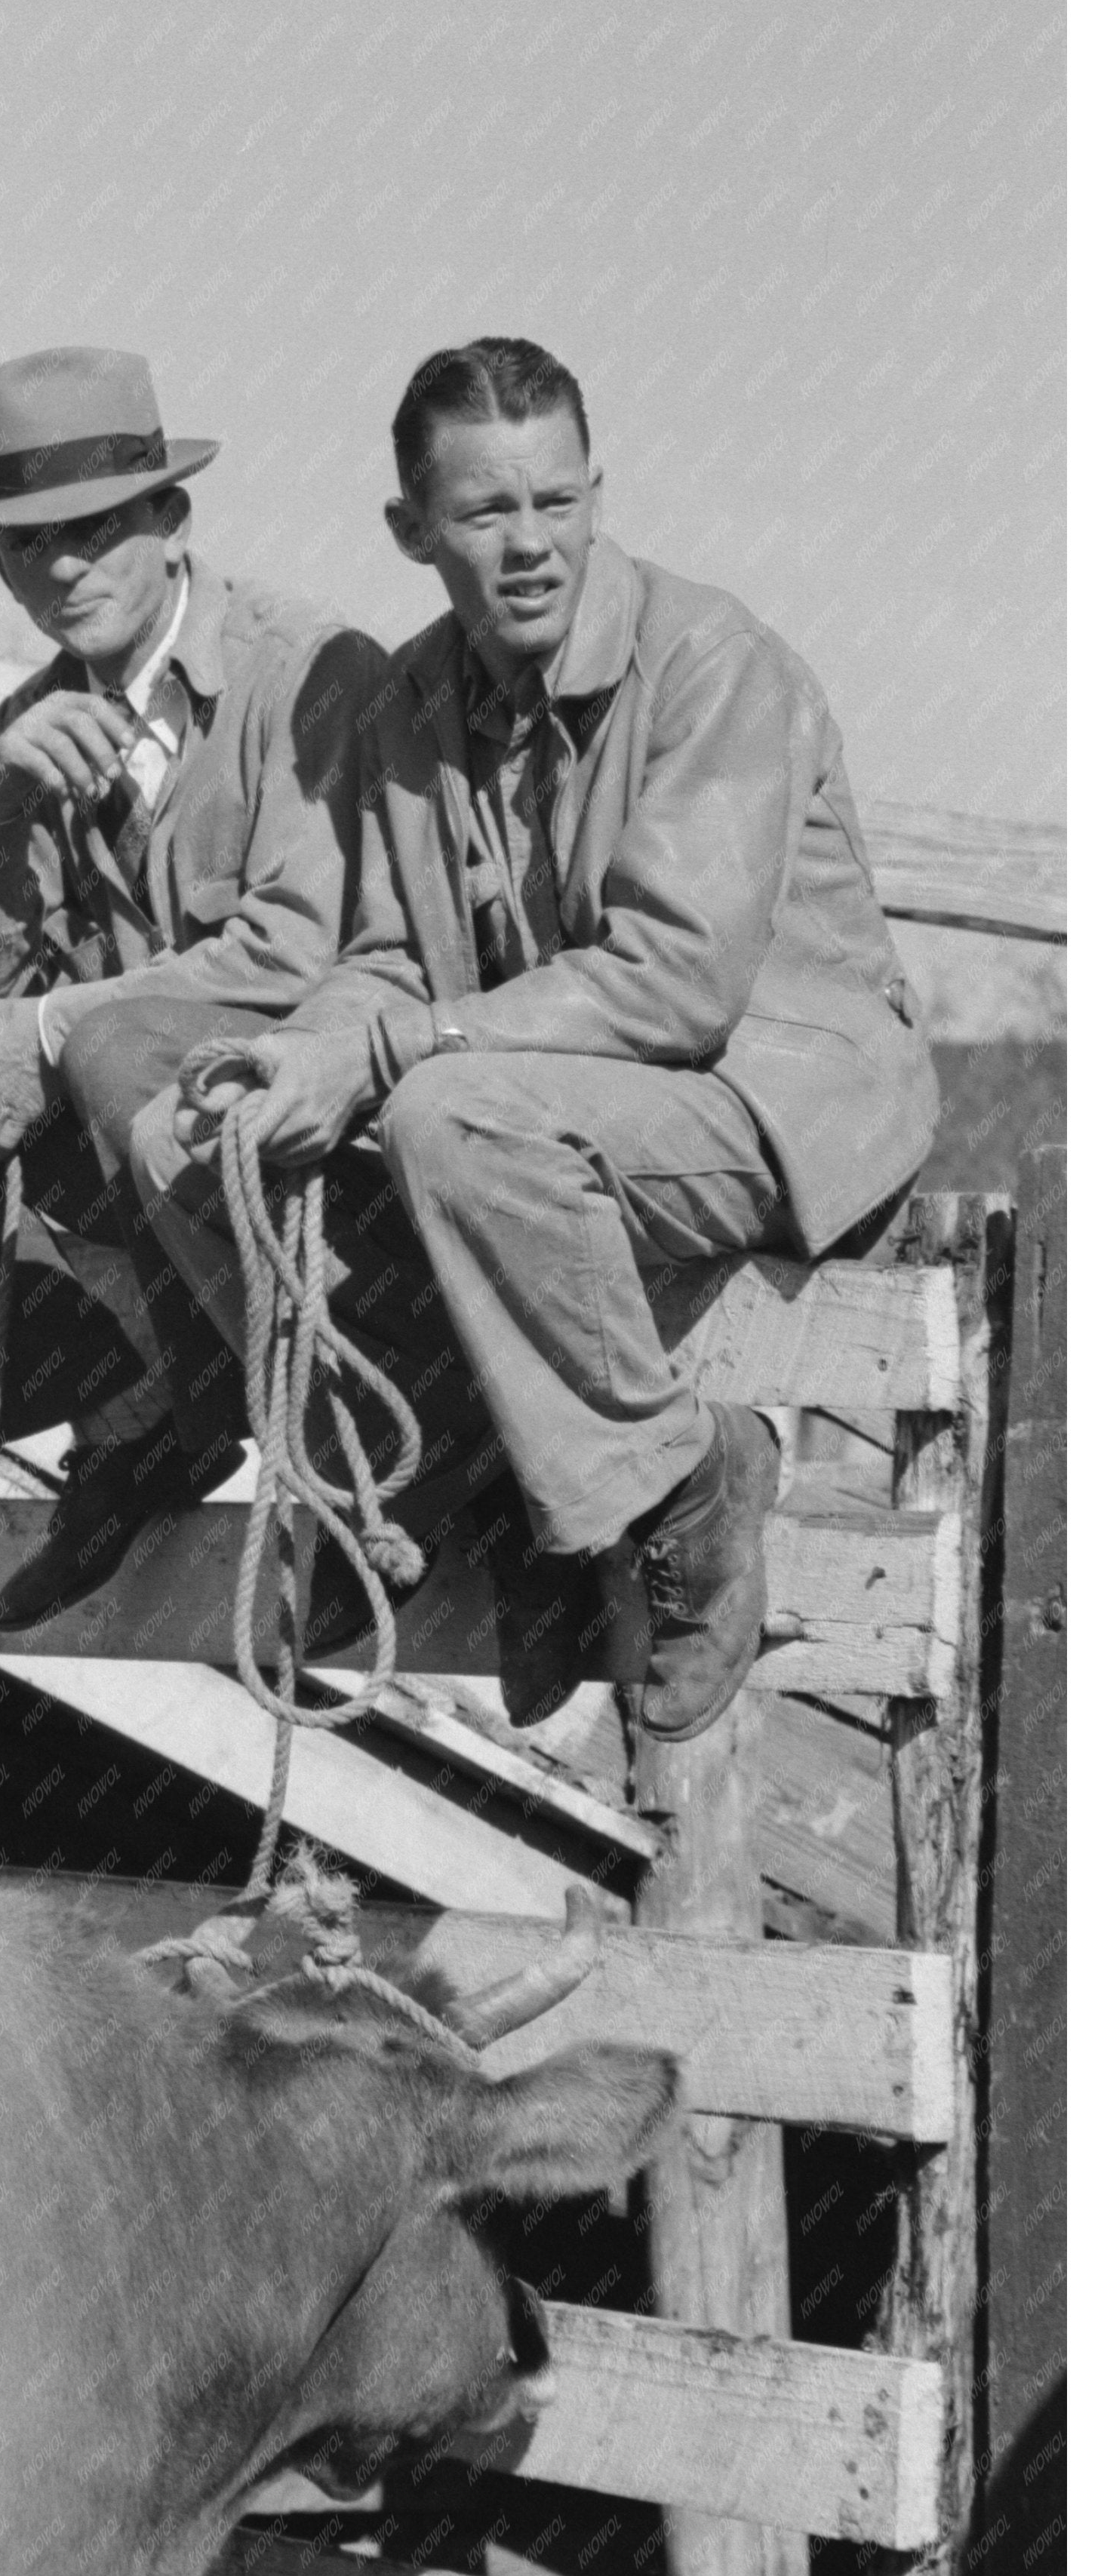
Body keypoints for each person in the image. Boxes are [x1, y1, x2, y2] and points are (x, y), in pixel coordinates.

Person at [130, 337, 939, 1740]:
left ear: (598, 493)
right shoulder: (409, 702)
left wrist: (394, 1055)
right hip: (557, 1108)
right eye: (487, 513)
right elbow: (385, 957)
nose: (531, 546)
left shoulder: (712, 665)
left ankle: (683, 1484)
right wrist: (306, 1054)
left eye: (557, 504)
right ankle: (437, 1474)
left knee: (454, 1116)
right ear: (411, 532)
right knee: (202, 1135)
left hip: (772, 1096)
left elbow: (676, 985)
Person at [0, 345, 380, 1629]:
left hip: (275, 1137)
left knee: (111, 1061)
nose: (64, 567)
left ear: (172, 521)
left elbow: (300, 953)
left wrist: (53, 1024)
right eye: (30, 546)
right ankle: (145, 1407)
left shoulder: (307, 673)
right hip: (124, 1155)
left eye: (96, 531)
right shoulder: (38, 713)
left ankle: (204, 1422)